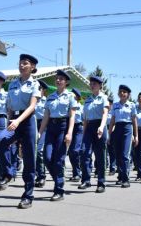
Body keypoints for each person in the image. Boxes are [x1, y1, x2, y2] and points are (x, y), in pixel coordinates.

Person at [0, 54, 40, 209]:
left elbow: (32, 106)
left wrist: (18, 120)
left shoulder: (35, 84)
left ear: (32, 67)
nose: (22, 65)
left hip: (27, 121)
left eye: (25, 63)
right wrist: (9, 120)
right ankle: (8, 173)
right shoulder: (13, 84)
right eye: (20, 63)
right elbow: (9, 106)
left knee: (29, 159)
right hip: (13, 120)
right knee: (0, 140)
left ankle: (28, 195)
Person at [38, 69, 77, 201]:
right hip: (51, 128)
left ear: (66, 82)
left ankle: (59, 190)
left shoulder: (70, 96)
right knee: (48, 158)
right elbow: (46, 116)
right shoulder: (50, 97)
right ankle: (58, 179)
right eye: (57, 78)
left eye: (61, 79)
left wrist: (70, 133)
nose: (58, 80)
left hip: (63, 127)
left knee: (59, 160)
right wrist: (40, 132)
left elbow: (72, 116)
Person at [79, 76, 108, 193]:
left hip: (99, 126)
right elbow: (85, 119)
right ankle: (86, 180)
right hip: (89, 127)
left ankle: (101, 183)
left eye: (94, 84)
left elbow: (105, 113)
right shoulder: (87, 100)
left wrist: (101, 127)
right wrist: (83, 133)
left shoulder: (104, 98)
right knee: (84, 152)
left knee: (100, 156)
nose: (92, 85)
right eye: (91, 83)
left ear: (100, 85)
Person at [108, 85, 138, 188]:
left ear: (128, 94)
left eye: (124, 92)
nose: (122, 93)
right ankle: (120, 176)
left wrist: (136, 135)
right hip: (117, 129)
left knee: (125, 155)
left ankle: (126, 179)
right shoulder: (115, 105)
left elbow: (134, 121)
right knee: (118, 155)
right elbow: (112, 121)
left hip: (127, 129)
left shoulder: (132, 105)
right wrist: (109, 135)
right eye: (120, 91)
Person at [34, 80, 48, 188]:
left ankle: (42, 176)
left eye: (40, 88)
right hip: (32, 125)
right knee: (31, 152)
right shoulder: (32, 100)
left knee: (39, 151)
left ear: (43, 90)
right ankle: (35, 174)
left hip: (43, 126)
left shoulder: (46, 102)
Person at [68, 88, 83, 182]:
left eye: (73, 95)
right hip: (70, 128)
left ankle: (78, 172)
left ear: (77, 97)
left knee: (75, 150)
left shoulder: (81, 107)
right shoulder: (68, 106)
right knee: (70, 152)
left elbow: (85, 120)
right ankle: (75, 172)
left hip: (78, 128)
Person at [106, 97, 117, 176]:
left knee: (111, 151)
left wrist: (110, 133)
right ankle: (99, 168)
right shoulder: (103, 111)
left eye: (109, 103)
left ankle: (112, 168)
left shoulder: (113, 111)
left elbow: (114, 123)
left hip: (112, 130)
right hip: (103, 129)